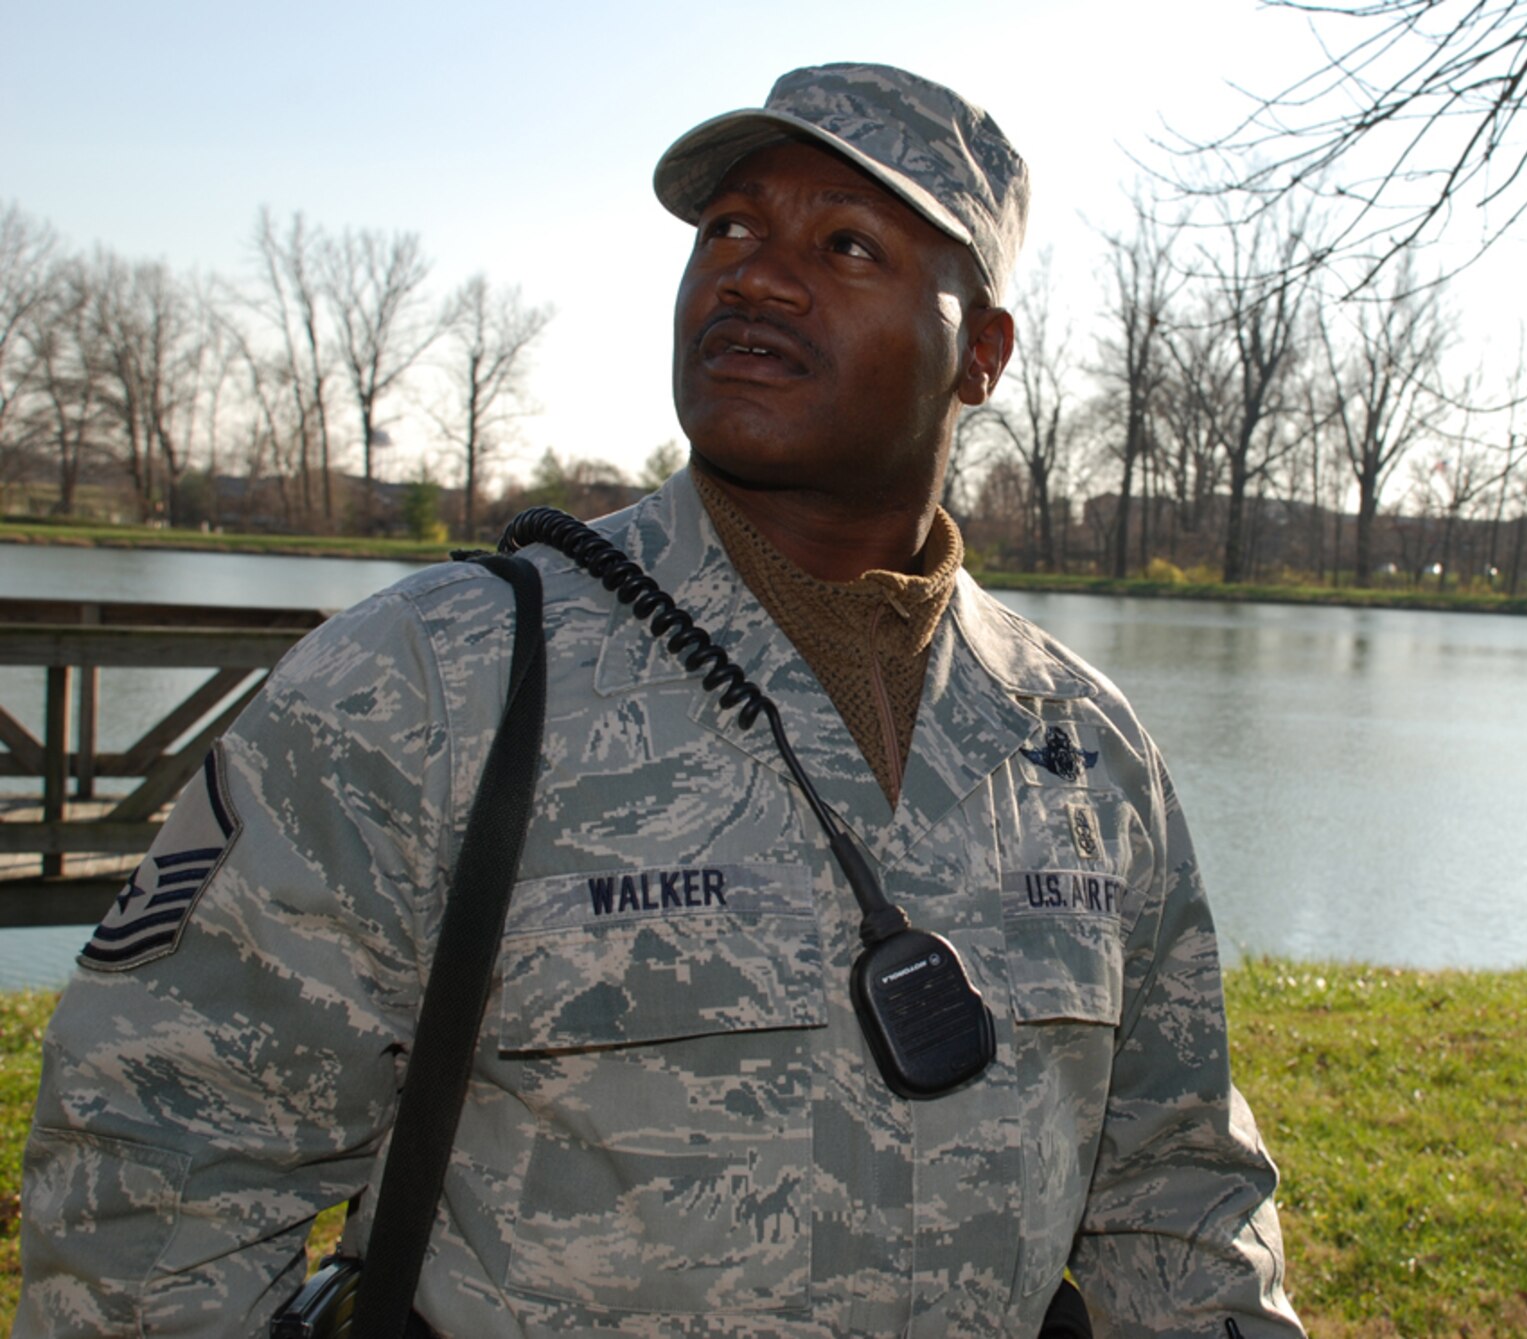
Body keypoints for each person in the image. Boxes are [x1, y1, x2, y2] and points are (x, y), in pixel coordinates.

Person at [16, 63, 1305, 1338]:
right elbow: (157, 1162)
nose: (755, 274)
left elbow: (1178, 1190)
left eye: (848, 244)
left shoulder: (1078, 747)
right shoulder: (431, 681)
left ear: (982, 354)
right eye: (731, 229)